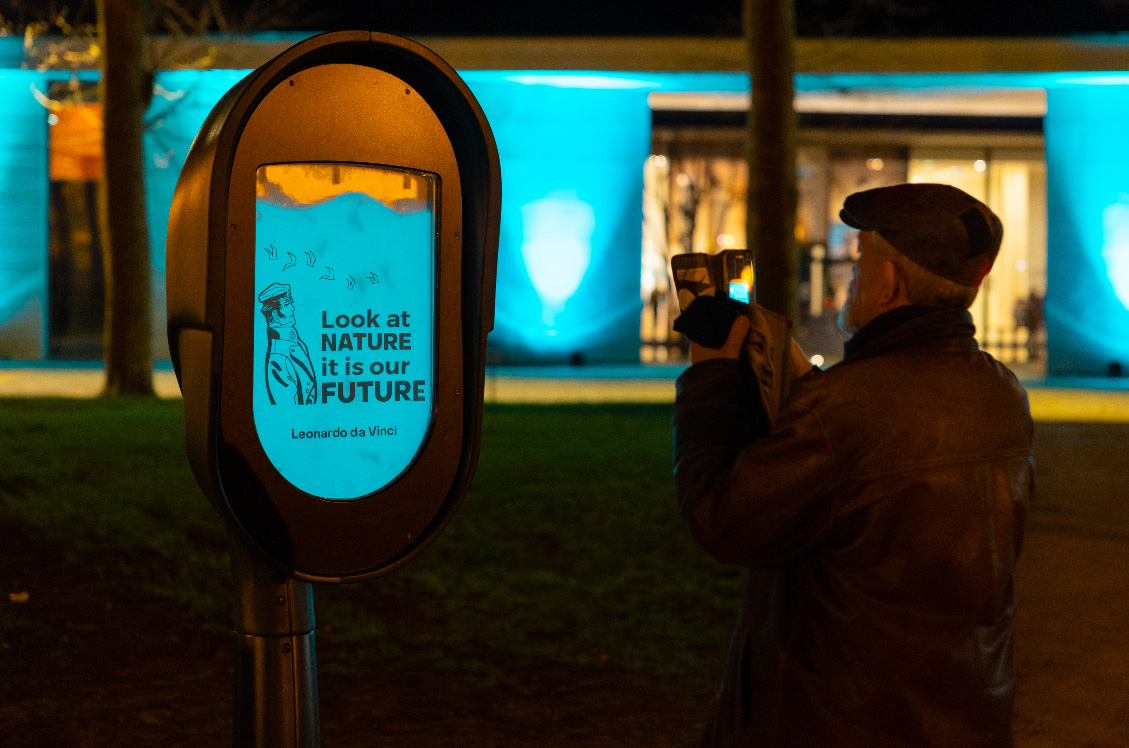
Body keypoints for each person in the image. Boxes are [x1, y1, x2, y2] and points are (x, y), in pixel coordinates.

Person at [673, 183, 1034, 747]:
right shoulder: (1001, 393)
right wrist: (797, 374)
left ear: (889, 282)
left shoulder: (847, 409)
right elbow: (884, 453)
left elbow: (722, 517)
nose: (851, 278)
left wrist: (711, 379)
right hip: (960, 713)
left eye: (861, 263)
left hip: (840, 720)